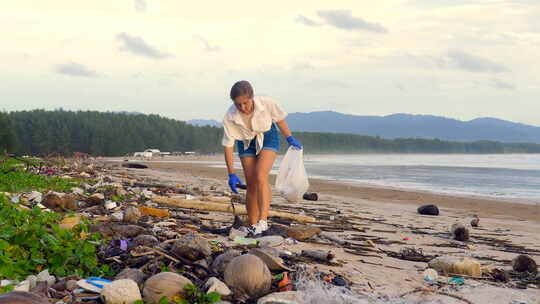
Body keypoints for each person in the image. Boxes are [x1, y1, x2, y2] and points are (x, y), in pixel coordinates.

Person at [222, 80, 302, 236]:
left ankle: (263, 222)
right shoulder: (229, 116)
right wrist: (231, 173)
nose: (242, 108)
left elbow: (279, 119)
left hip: (267, 136)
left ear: (252, 97)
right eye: (238, 104)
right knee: (251, 183)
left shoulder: (266, 103)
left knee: (260, 176)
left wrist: (290, 138)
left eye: (245, 103)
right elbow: (228, 146)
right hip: (245, 142)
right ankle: (253, 225)